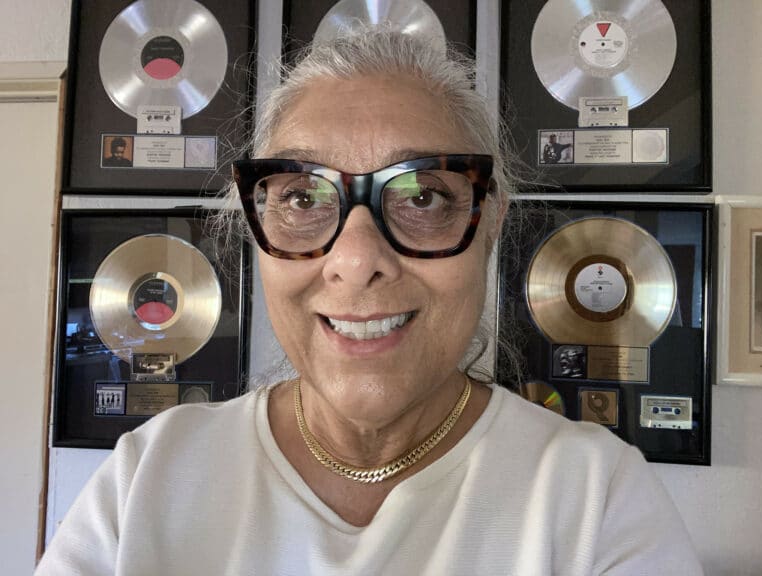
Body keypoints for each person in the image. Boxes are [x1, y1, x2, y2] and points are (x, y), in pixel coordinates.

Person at [36, 30, 703, 575]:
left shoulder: (596, 497)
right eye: (302, 197)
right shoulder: (146, 478)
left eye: (422, 197)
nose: (355, 262)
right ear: (256, 225)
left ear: (490, 218)